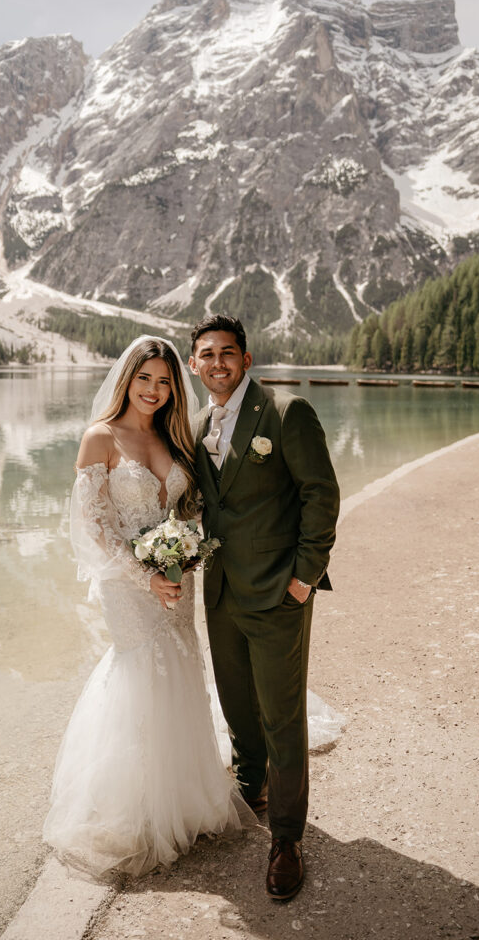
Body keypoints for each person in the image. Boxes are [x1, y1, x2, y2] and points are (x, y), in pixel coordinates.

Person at [43, 335, 253, 878]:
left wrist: (183, 556)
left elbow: (190, 509)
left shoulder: (174, 438)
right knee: (140, 669)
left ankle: (183, 800)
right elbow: (92, 531)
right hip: (127, 585)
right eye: (145, 379)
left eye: (164, 381)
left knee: (182, 668)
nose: (155, 391)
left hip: (175, 580)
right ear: (126, 379)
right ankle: (134, 810)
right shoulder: (100, 438)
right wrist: (145, 577)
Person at [188, 314, 341, 901]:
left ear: (246, 360)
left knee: (282, 716)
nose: (218, 363)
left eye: (228, 353)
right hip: (222, 591)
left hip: (279, 591)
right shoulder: (198, 422)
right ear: (195, 364)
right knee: (236, 703)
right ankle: (250, 784)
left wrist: (304, 578)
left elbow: (319, 494)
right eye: (207, 354)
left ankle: (287, 839)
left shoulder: (285, 412)